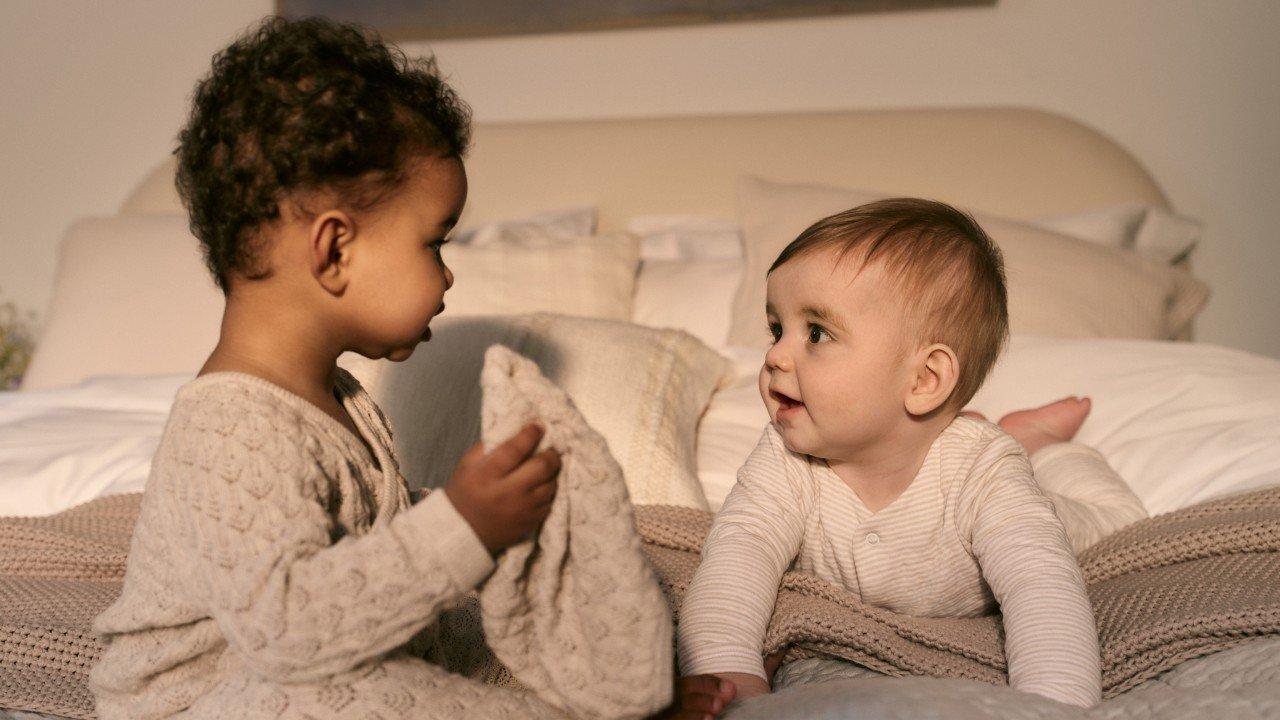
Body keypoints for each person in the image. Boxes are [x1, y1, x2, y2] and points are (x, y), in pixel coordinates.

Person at [89, 17, 667, 719]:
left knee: (458, 656)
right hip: (204, 700)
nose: (448, 275)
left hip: (305, 667)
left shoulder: (341, 400)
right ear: (334, 251)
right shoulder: (229, 426)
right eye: (434, 243)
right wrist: (462, 526)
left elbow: (367, 557)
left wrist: (483, 519)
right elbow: (289, 633)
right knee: (358, 694)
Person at [675, 199, 1149, 713]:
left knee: (1115, 516)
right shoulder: (784, 458)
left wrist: (1052, 706)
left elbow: (1043, 588)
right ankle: (1017, 432)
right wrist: (729, 673)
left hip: (1060, 516)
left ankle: (1039, 442)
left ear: (924, 381)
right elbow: (735, 559)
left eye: (816, 332)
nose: (774, 356)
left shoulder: (984, 474)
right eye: (776, 329)